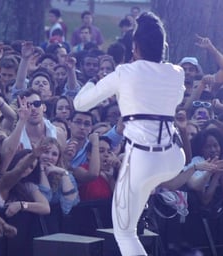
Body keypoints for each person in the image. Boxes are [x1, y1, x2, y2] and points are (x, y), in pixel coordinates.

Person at [73, 12, 186, 255]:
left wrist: (93, 82)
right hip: (174, 157)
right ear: (163, 46)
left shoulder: (125, 72)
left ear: (135, 47)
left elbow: (80, 105)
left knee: (125, 233)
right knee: (139, 198)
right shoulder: (177, 72)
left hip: (144, 160)